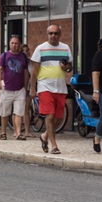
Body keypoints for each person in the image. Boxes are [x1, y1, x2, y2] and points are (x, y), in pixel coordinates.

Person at [30, 24, 73, 154]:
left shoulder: (65, 48)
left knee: (59, 118)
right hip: (45, 86)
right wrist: (33, 88)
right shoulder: (40, 49)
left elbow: (70, 67)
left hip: (60, 87)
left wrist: (66, 68)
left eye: (56, 33)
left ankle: (44, 136)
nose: (53, 36)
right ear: (47, 34)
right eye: (51, 33)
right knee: (50, 115)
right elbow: (34, 71)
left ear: (60, 34)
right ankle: (54, 145)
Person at [0, 35, 29, 140]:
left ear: (19, 44)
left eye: (16, 43)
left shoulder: (23, 57)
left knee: (19, 112)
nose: (14, 45)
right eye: (12, 43)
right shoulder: (4, 56)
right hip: (6, 88)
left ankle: (18, 133)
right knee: (4, 112)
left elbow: (25, 72)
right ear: (9, 44)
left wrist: (26, 86)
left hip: (19, 89)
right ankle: (3, 132)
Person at [20, 43, 36, 138]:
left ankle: (27, 131)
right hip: (20, 87)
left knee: (27, 110)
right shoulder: (20, 62)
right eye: (24, 51)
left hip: (29, 87)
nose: (26, 53)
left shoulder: (31, 63)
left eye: (27, 50)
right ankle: (16, 130)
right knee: (18, 110)